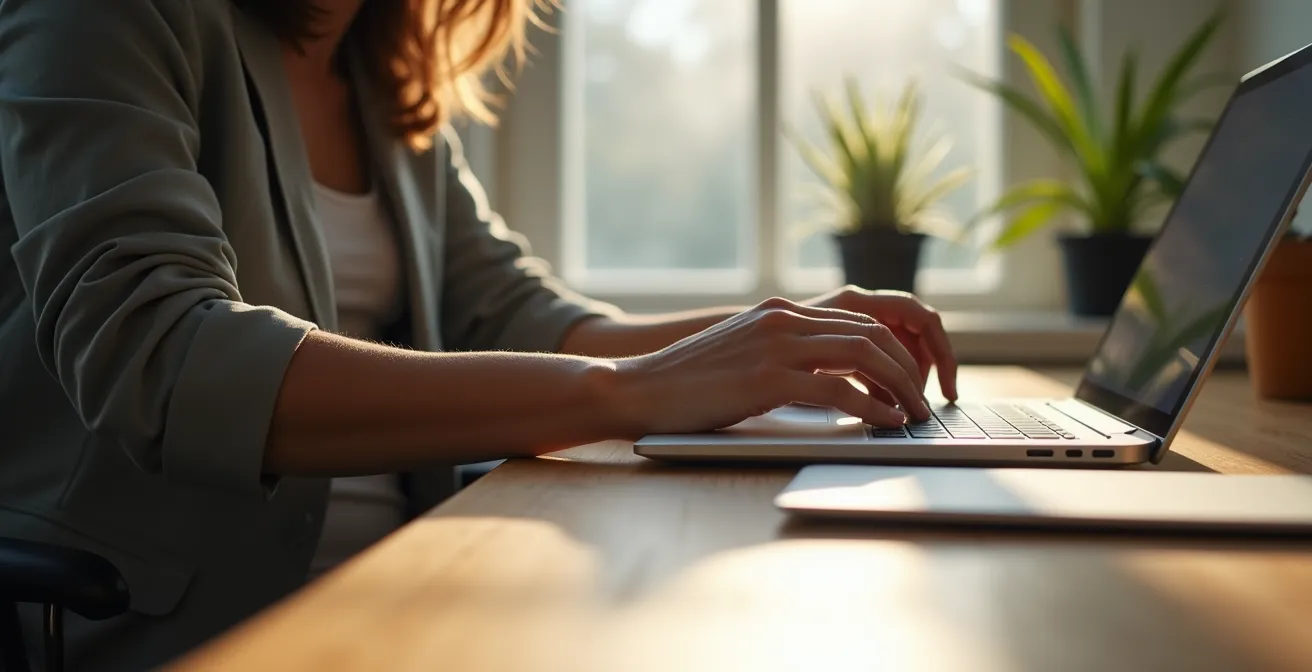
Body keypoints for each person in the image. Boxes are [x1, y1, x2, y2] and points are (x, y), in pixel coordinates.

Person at [0, 0, 959, 667]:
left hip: (403, 596)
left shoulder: (380, 84)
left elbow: (521, 317)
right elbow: (164, 357)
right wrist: (631, 392)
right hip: (178, 626)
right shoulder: (112, 18)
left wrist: (779, 337)